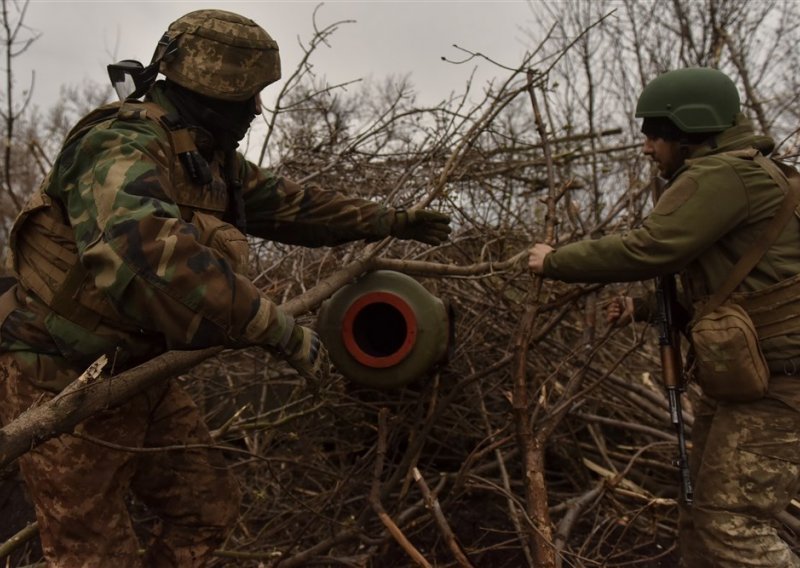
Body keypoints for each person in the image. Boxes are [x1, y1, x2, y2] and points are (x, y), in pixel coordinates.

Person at [0, 9, 450, 567]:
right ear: (212, 91)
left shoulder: (204, 157)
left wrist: (387, 220)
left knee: (206, 509)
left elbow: (291, 205)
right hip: (59, 379)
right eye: (248, 97)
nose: (258, 109)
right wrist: (269, 325)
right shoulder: (119, 146)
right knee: (92, 555)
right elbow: (147, 253)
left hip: (138, 376)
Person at [529, 67, 800, 568]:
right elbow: (732, 286)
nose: (648, 147)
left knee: (731, 528)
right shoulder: (744, 173)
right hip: (751, 384)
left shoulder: (723, 175)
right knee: (700, 516)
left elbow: (651, 248)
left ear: (688, 131)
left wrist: (556, 261)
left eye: (656, 135)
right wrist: (644, 308)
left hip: (781, 389)